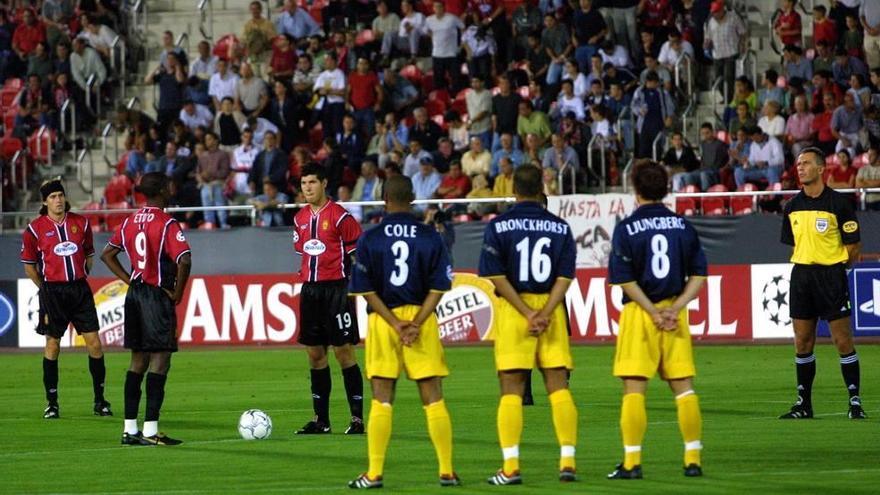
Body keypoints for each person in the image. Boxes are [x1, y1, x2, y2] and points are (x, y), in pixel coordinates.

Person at [347, 175, 459, 489]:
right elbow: (439, 287)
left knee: (382, 398)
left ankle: (374, 473)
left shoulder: (370, 238)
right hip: (421, 321)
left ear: (384, 200)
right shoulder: (429, 236)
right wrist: (417, 322)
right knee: (433, 397)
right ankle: (447, 471)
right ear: (412, 199)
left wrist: (395, 323)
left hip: (384, 321)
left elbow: (365, 289)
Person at [478, 165, 579, 485]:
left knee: (511, 388)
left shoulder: (499, 225)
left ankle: (510, 468)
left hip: (514, 311)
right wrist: (546, 311)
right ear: (541, 188)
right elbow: (565, 276)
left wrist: (525, 311)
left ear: (514, 189)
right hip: (551, 310)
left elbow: (496, 275)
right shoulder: (561, 227)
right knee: (558, 387)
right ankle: (568, 462)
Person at [607, 160, 707, 480]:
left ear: (635, 190)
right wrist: (674, 309)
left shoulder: (626, 228)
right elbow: (699, 275)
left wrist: (652, 312)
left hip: (641, 315)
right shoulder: (683, 226)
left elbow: (624, 280)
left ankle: (632, 462)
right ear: (665, 189)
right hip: (675, 316)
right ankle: (693, 459)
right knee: (684, 389)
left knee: (634, 389)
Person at [101, 172, 193, 445]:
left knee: (137, 360)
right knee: (161, 359)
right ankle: (151, 430)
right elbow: (184, 259)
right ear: (163, 190)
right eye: (170, 184)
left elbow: (108, 253)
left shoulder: (129, 221)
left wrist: (129, 279)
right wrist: (177, 294)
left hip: (135, 295)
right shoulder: (167, 223)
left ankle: (130, 430)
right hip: (156, 295)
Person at [779, 148, 865, 420]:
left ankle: (854, 401)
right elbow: (795, 244)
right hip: (802, 277)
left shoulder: (839, 204)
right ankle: (803, 404)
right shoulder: (791, 206)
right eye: (798, 164)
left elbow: (853, 248)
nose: (800, 168)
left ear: (820, 169)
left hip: (831, 277)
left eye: (805, 164)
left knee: (842, 340)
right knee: (802, 341)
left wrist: (835, 268)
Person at [20, 180, 111, 420]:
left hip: (79, 290)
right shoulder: (34, 229)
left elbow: (89, 255)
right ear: (44, 201)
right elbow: (30, 267)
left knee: (94, 344)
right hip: (53, 293)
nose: (58, 200)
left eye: (60, 195)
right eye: (52, 197)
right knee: (52, 345)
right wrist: (46, 288)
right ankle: (52, 403)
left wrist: (78, 276)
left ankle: (100, 400)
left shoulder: (81, 223)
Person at [293, 163, 365, 435]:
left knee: (344, 352)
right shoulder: (299, 218)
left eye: (312, 182)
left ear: (324, 184)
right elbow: (303, 252)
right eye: (303, 184)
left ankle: (357, 419)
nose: (307, 188)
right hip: (310, 291)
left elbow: (357, 255)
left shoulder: (340, 217)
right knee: (315, 354)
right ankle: (321, 421)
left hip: (336, 290)